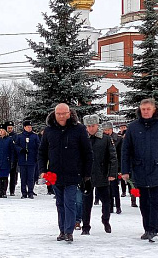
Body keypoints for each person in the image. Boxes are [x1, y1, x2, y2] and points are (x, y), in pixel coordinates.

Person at [121, 98, 158, 242]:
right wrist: (125, 170)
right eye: (143, 109)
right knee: (144, 202)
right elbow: (126, 150)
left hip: (157, 169)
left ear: (154, 110)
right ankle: (147, 229)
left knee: (156, 201)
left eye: (148, 109)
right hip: (139, 170)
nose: (145, 112)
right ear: (140, 110)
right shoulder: (133, 127)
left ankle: (155, 229)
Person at [38, 103, 93, 243]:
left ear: (69, 113)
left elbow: (87, 152)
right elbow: (42, 152)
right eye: (58, 114)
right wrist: (43, 170)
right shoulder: (49, 130)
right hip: (55, 175)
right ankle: (62, 230)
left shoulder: (79, 129)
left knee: (70, 201)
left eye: (64, 113)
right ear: (54, 114)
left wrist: (87, 173)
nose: (61, 116)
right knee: (60, 203)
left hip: (73, 173)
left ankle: (69, 231)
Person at [81, 114, 118, 235]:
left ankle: (106, 220)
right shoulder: (82, 139)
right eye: (89, 126)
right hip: (87, 176)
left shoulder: (105, 139)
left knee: (106, 201)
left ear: (97, 125)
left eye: (93, 125)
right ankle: (86, 226)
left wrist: (112, 173)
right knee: (86, 202)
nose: (91, 128)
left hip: (102, 174)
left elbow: (113, 157)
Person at [15, 120, 41, 199]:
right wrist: (21, 150)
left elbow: (38, 146)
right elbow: (16, 145)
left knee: (31, 177)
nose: (30, 128)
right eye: (28, 127)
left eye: (30, 127)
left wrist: (36, 157)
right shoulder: (20, 136)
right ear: (24, 127)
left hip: (31, 160)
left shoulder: (34, 136)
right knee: (23, 177)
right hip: (22, 160)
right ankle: (23, 192)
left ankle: (30, 192)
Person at [0, 124, 15, 198]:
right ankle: (0, 192)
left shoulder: (9, 140)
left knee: (5, 177)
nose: (1, 132)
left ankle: (4, 191)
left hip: (6, 160)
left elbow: (12, 151)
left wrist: (12, 160)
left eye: (2, 130)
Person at [6, 121, 19, 196]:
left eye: (11, 128)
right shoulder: (5, 135)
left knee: (13, 175)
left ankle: (12, 190)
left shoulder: (15, 136)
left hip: (13, 158)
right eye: (8, 128)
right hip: (5, 157)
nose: (10, 129)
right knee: (5, 175)